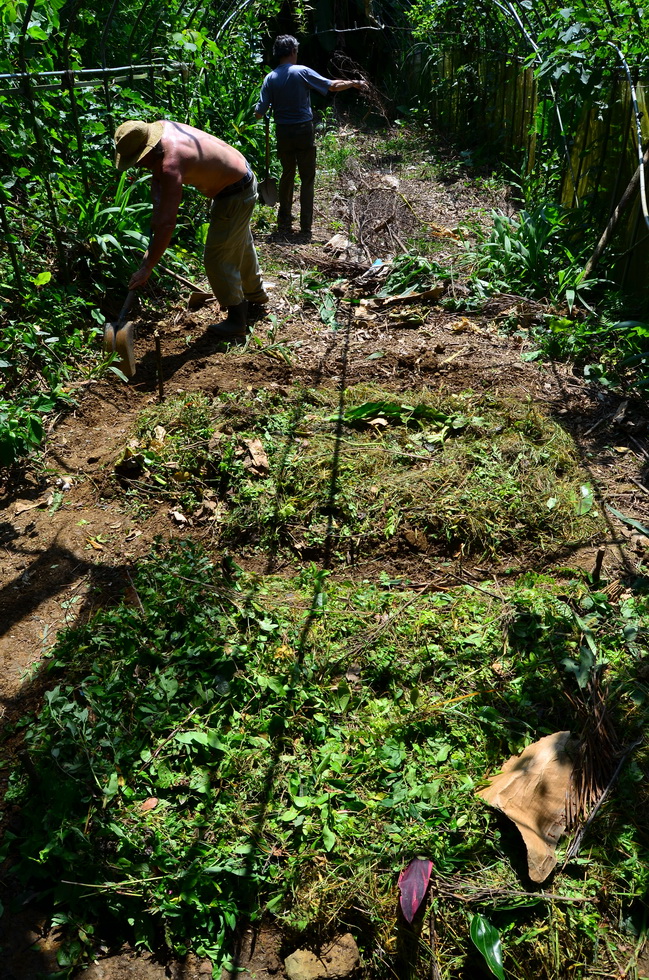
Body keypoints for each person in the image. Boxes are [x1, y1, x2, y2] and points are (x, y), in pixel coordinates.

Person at [110, 119, 268, 370]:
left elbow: (167, 225)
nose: (139, 166)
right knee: (238, 244)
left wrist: (147, 267)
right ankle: (256, 298)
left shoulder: (171, 165)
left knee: (217, 257)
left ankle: (238, 320)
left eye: (139, 161)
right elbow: (157, 180)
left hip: (235, 193)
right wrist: (156, 202)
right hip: (241, 176)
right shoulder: (162, 130)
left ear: (148, 150)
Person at [254, 35, 367, 237]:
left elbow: (259, 113)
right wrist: (353, 82)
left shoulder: (270, 78)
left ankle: (284, 222)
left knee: (287, 174)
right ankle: (306, 227)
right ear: (293, 52)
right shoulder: (302, 72)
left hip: (283, 132)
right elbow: (332, 85)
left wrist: (272, 104)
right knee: (307, 178)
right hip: (303, 131)